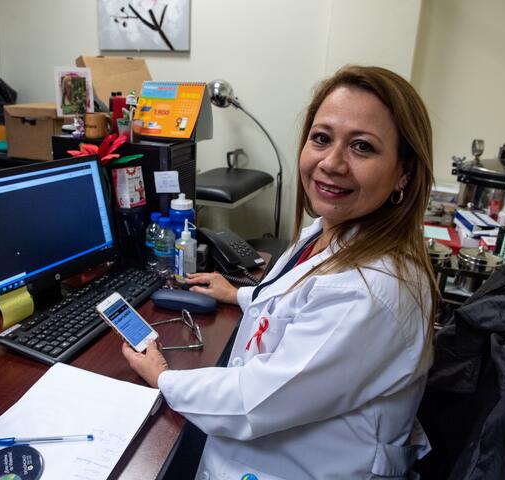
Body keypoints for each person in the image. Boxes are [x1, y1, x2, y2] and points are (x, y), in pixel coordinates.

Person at [122, 65, 438, 479]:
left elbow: (256, 400)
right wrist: (238, 294)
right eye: (321, 138)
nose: (332, 163)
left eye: (362, 147)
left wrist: (163, 378)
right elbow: (303, 303)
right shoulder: (335, 230)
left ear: (404, 172)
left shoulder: (372, 290)